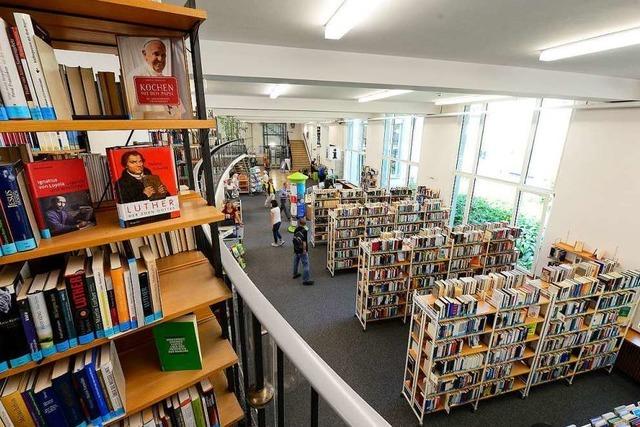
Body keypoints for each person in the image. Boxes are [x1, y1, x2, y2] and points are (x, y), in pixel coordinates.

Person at [130, 39, 184, 118]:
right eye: (156, 54)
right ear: (145, 54)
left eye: (163, 55)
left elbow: (178, 113)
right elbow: (136, 117)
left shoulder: (165, 80)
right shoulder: (134, 78)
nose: (160, 59)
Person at [292, 218, 313, 286]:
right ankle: (305, 280)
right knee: (305, 264)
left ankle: (295, 274)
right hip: (302, 250)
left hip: (296, 249)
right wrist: (304, 250)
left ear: (299, 223)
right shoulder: (304, 231)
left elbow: (294, 239)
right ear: (305, 224)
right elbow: (304, 242)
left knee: (296, 262)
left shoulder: (296, 229)